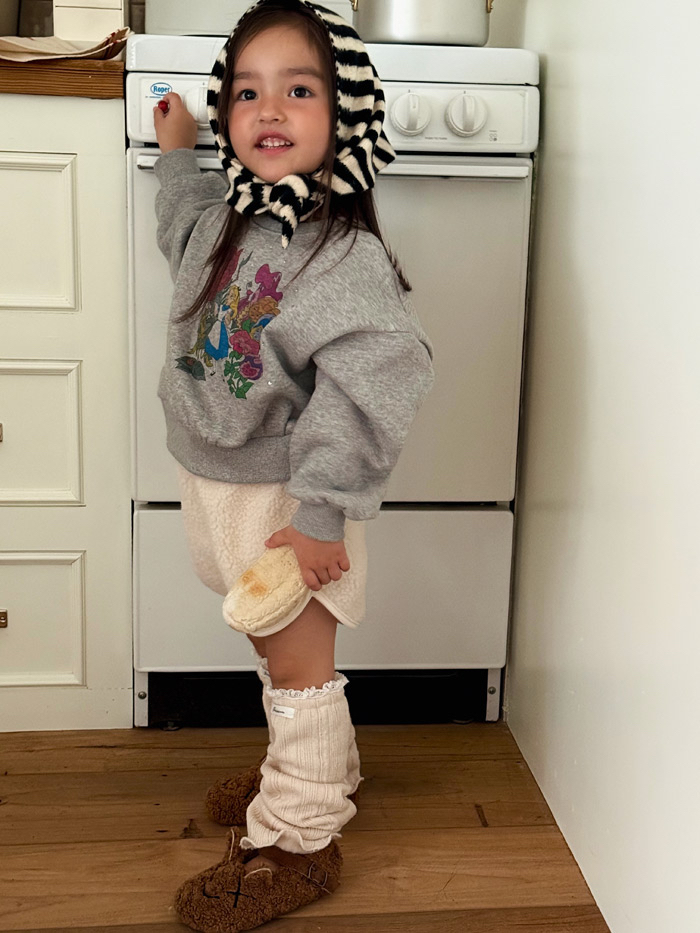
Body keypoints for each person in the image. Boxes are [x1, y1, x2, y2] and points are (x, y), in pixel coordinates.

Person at [152, 1, 433, 929]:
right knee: (268, 645)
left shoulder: (342, 255)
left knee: (299, 660)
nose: (269, 109)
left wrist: (319, 515)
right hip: (217, 482)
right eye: (247, 92)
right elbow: (178, 218)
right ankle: (314, 765)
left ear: (345, 114)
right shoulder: (225, 221)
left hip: (288, 497)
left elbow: (374, 381)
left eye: (299, 90)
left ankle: (301, 837)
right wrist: (178, 152)